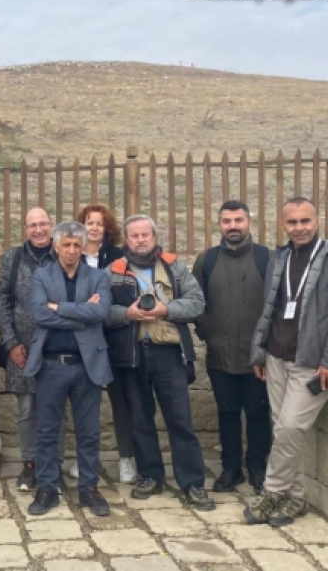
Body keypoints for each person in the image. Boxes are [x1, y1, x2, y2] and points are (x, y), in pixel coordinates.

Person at [244, 198, 328, 527]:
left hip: (312, 362)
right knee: (284, 430)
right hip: (277, 357)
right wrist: (260, 352)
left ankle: (272, 491)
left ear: (317, 220)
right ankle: (295, 499)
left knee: (291, 426)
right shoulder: (279, 258)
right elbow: (270, 309)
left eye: (305, 221)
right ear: (283, 224)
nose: (299, 228)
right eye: (292, 222)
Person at [105, 214, 214, 511]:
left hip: (169, 354)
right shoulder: (113, 272)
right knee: (140, 420)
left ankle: (192, 482)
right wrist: (127, 314)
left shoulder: (174, 267)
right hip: (131, 354)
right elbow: (101, 311)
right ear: (126, 240)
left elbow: (197, 302)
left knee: (180, 420)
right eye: (134, 236)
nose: (141, 240)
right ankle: (150, 476)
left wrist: (167, 309)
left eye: (146, 235)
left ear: (154, 237)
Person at [24, 222, 114, 517]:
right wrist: (81, 312)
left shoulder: (99, 276)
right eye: (67, 245)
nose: (72, 251)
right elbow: (38, 313)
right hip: (51, 366)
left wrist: (59, 308)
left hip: (87, 365)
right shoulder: (42, 275)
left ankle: (89, 487)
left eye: (77, 245)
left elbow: (101, 312)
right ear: (56, 246)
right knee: (47, 430)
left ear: (84, 246)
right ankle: (47, 486)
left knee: (88, 431)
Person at [192, 200, 272, 494]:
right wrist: (207, 333)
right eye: (227, 221)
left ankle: (258, 468)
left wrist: (265, 346)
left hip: (258, 356)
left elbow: (275, 304)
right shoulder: (207, 260)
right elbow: (194, 301)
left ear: (249, 222)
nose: (233, 226)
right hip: (220, 353)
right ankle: (230, 469)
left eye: (238, 220)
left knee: (258, 413)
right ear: (220, 225)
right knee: (226, 413)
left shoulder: (267, 258)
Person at [0, 207, 65, 492]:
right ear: (25, 228)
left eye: (43, 224)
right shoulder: (12, 259)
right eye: (32, 225)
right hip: (21, 350)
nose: (38, 230)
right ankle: (30, 464)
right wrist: (11, 343)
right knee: (26, 411)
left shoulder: (63, 255)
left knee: (56, 410)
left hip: (56, 348)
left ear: (52, 225)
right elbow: (2, 302)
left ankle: (54, 465)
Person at [72, 203, 136, 485]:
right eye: (89, 222)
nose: (94, 228)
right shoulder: (71, 255)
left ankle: (127, 458)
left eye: (99, 223)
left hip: (116, 338)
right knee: (85, 401)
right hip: (82, 339)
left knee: (121, 400)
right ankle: (85, 458)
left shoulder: (120, 257)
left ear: (106, 227)